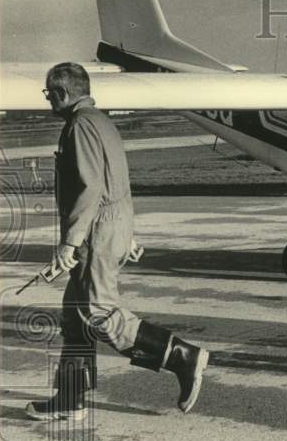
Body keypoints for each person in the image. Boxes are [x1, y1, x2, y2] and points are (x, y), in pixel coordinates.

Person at [26, 63, 209, 421]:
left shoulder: (79, 127)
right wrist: (127, 233)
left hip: (95, 232)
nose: (48, 100)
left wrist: (69, 243)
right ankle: (70, 397)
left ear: (63, 93)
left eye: (49, 94)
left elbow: (90, 188)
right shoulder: (103, 122)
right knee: (75, 315)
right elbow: (117, 184)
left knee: (99, 313)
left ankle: (182, 356)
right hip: (112, 226)